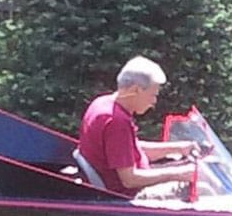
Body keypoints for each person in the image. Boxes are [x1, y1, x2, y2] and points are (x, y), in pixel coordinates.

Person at [78, 56, 197, 198]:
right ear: (136, 90)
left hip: (133, 184)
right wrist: (178, 174)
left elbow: (128, 148)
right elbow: (130, 180)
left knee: (193, 175)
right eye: (153, 95)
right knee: (204, 187)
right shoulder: (116, 121)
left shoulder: (103, 103)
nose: (154, 102)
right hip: (130, 196)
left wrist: (179, 148)